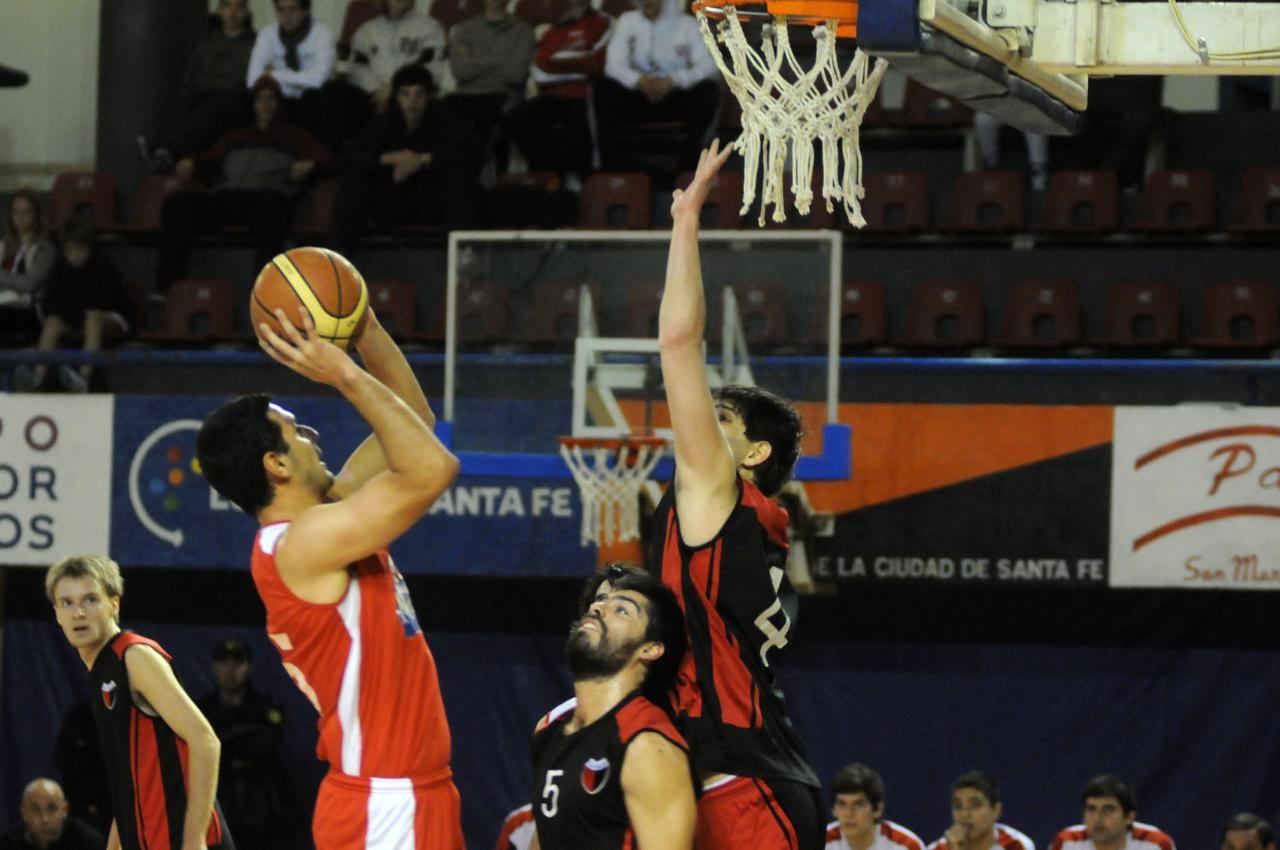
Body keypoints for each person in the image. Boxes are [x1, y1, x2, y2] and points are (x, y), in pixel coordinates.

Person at [195, 299, 464, 850]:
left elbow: (415, 420)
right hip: (385, 802)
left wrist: (365, 327)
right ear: (276, 465)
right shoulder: (302, 545)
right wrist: (342, 373)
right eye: (296, 431)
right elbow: (434, 468)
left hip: (405, 791)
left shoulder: (326, 518)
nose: (312, 434)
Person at [648, 137, 823, 850]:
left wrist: (686, 222)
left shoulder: (719, 494)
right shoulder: (753, 521)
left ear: (753, 454)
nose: (699, 423)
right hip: (747, 772)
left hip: (741, 785)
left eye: (721, 418)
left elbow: (678, 343)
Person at [44, 555, 233, 850]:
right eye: (67, 603)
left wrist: (194, 838)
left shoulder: (134, 657)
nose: (78, 612)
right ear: (57, 613)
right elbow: (129, 781)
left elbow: (205, 740)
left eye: (90, 599)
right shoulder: (102, 671)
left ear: (114, 605)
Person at [530, 563, 696, 850]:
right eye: (599, 601)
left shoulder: (647, 747)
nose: (599, 608)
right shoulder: (550, 733)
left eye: (621, 610)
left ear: (650, 648)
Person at [155, 74, 334, 293]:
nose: (265, 105)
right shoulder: (236, 136)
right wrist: (192, 163)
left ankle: (263, 290)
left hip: (267, 197)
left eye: (271, 99)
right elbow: (210, 159)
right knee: (176, 205)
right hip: (228, 195)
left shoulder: (295, 135)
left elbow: (327, 159)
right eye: (260, 99)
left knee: (273, 207)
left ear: (280, 103)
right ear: (253, 104)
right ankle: (167, 289)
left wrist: (311, 163)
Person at [331, 63, 481, 250]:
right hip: (393, 199)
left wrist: (422, 160)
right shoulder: (385, 122)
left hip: (432, 200)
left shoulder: (444, 119)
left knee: (459, 179)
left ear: (429, 97)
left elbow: (471, 153)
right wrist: (392, 158)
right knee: (353, 181)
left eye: (419, 94)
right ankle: (338, 256)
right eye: (406, 94)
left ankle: (463, 254)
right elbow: (350, 157)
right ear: (397, 97)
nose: (413, 101)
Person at [195, 638, 301, 850]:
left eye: (237, 663)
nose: (230, 670)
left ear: (249, 667)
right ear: (215, 667)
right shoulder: (200, 710)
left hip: (258, 799)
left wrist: (223, 744)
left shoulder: (265, 710)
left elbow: (262, 747)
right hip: (214, 794)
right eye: (224, 663)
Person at [595, 0, 720, 175]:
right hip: (638, 96)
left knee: (708, 91)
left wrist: (673, 81)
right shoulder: (627, 21)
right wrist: (639, 81)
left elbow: (709, 66)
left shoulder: (688, 25)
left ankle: (689, 166)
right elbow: (613, 66)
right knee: (603, 89)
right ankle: (613, 168)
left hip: (675, 97)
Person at [14, 220, 132, 393]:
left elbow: (101, 302)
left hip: (110, 314)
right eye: (70, 250)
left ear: (89, 248)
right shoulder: (60, 267)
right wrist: (63, 314)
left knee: (93, 317)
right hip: (75, 316)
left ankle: (83, 378)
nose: (75, 255)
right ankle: (37, 378)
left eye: (80, 249)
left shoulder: (102, 264)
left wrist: (72, 311)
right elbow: (50, 303)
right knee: (53, 322)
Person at [506, 0, 612, 184]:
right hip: (551, 95)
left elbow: (596, 64)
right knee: (517, 118)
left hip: (584, 94)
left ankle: (583, 180)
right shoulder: (554, 30)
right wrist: (577, 65)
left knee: (579, 123)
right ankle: (551, 175)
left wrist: (556, 61)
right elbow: (540, 71)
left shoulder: (603, 22)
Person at [154, 0, 257, 163]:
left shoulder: (256, 45)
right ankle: (165, 149)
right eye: (227, 6)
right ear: (219, 11)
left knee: (211, 108)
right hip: (203, 95)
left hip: (234, 100)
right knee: (184, 104)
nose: (232, 13)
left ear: (246, 12)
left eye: (238, 7)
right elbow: (189, 79)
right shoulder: (206, 45)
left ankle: (180, 154)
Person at [446, 0, 535, 169]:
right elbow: (460, 71)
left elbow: (516, 75)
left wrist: (474, 60)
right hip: (465, 95)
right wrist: (501, 60)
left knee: (489, 119)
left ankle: (484, 176)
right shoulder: (464, 29)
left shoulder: (523, 30)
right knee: (440, 112)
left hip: (504, 96)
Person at [246, 0, 335, 139]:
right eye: (280, 10)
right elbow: (252, 81)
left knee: (314, 98)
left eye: (292, 9)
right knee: (244, 97)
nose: (286, 16)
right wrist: (301, 80)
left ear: (306, 11)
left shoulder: (322, 34)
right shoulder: (267, 34)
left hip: (312, 102)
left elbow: (319, 80)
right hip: (279, 100)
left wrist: (275, 74)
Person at [1048, 775, 1175, 850]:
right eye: (1091, 809)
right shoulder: (1067, 843)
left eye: (1108, 809)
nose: (1098, 818)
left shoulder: (1155, 844)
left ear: (1129, 817)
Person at [825, 764, 925, 850]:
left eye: (859, 804)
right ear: (833, 809)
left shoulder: (906, 846)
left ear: (877, 809)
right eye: (842, 804)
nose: (849, 813)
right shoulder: (820, 842)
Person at [925, 772, 1032, 850]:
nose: (965, 814)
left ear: (996, 810)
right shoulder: (937, 848)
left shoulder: (1016, 845)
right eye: (958, 806)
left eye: (976, 805)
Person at [1, 189, 55, 339]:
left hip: (29, 310)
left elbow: (29, 284)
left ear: (36, 215)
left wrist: (2, 277)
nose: (20, 217)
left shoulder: (45, 249)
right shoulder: (3, 247)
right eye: (16, 212)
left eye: (26, 212)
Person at [0, 779, 103, 850]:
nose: (44, 818)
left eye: (52, 808)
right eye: (35, 809)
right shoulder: (7, 844)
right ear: (23, 813)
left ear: (65, 810)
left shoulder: (87, 842)